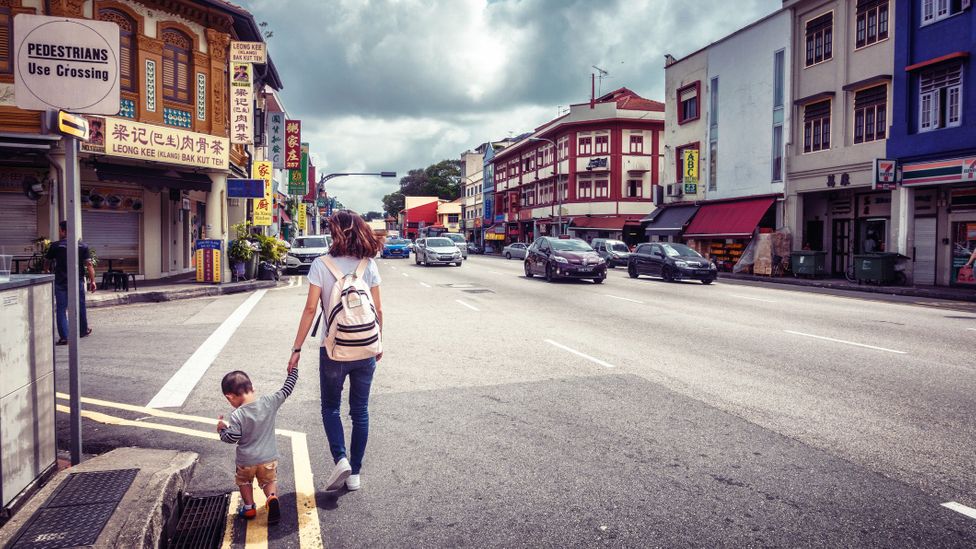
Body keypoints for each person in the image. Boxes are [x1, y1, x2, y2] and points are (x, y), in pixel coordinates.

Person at [288, 210, 383, 492]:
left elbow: (309, 309)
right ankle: (355, 473)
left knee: (330, 407)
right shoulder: (369, 264)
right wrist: (380, 342)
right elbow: (378, 309)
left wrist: (296, 349)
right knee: (360, 411)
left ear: (335, 232)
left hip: (334, 350)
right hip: (366, 347)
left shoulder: (321, 264)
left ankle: (340, 458)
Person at [217, 367, 299, 523]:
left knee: (245, 482)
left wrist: (222, 430)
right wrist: (293, 371)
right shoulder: (269, 402)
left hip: (246, 461)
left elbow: (232, 437)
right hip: (268, 458)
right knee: (268, 481)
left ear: (230, 397)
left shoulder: (237, 414)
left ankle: (249, 508)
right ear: (252, 387)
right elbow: (287, 389)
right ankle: (271, 497)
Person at [46, 220, 96, 345]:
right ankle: (83, 330)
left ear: (62, 231)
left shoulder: (55, 246)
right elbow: (89, 265)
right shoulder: (82, 246)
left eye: (60, 230)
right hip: (77, 281)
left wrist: (46, 271)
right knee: (80, 306)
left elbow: (47, 262)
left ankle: (65, 337)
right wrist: (93, 281)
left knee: (61, 309)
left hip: (60, 282)